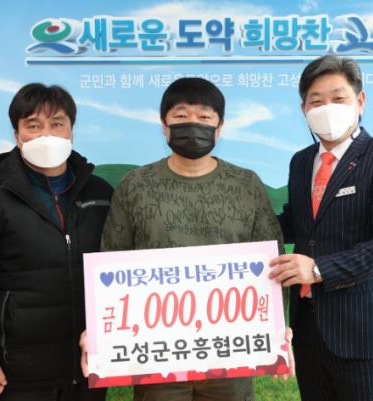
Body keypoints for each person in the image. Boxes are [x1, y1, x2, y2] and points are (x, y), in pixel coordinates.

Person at [81, 77, 287, 401]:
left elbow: (274, 262)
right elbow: (111, 260)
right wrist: (99, 331)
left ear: (220, 127)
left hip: (230, 353)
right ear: (164, 125)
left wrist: (276, 326)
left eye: (204, 117)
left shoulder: (246, 184)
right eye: (180, 116)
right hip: (156, 355)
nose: (193, 124)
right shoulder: (135, 185)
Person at [0, 83, 113, 400]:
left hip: (88, 367)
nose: (46, 134)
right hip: (18, 375)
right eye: (33, 126)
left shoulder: (101, 194)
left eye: (57, 124)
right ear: (17, 135)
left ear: (71, 131)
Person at [269, 55, 373, 401]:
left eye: (338, 98)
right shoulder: (301, 161)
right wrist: (234, 232)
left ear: (360, 101)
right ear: (304, 109)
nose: (327, 109)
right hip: (308, 329)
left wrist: (318, 269)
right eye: (316, 101)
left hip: (363, 331)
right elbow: (295, 223)